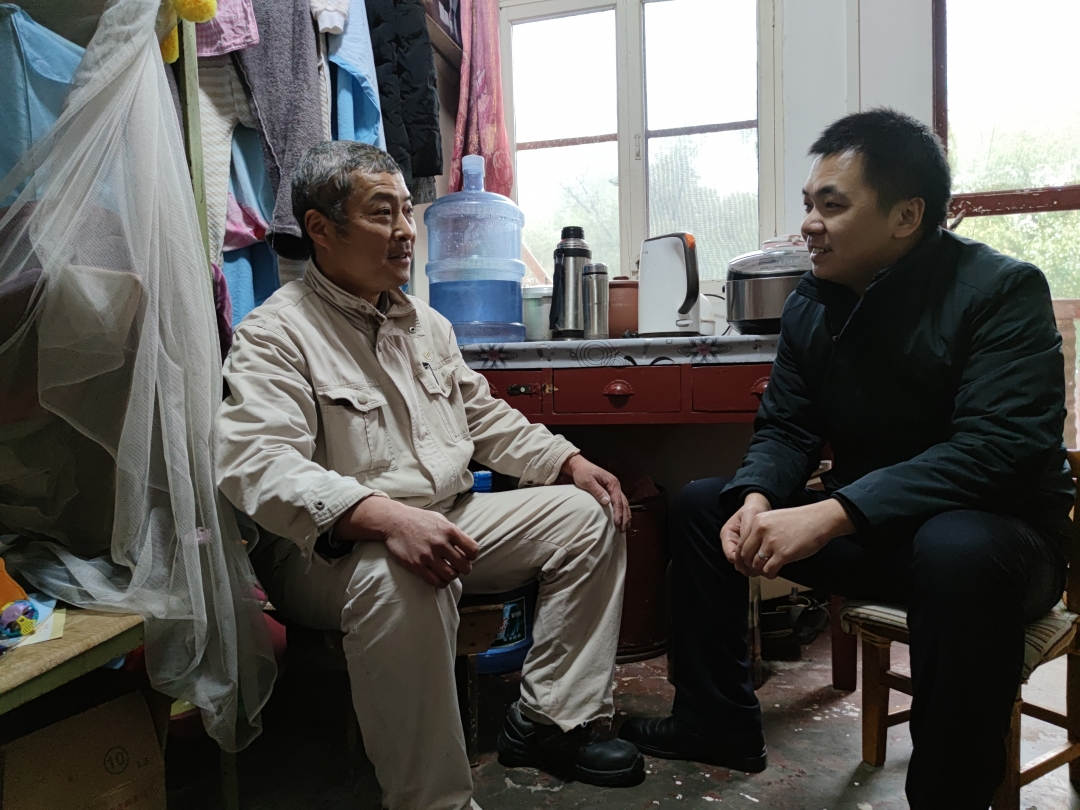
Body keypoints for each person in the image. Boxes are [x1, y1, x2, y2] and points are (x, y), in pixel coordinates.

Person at [619, 109, 1072, 809]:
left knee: (956, 548)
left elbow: (994, 450)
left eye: (831, 206)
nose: (809, 224)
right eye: (809, 204)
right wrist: (758, 499)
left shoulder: (1002, 291)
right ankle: (714, 724)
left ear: (906, 216)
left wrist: (834, 513)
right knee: (706, 506)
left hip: (1000, 545)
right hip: (879, 534)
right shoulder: (813, 303)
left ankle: (947, 795)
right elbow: (787, 427)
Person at [215, 140, 644, 810]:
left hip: (448, 515)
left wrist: (567, 460)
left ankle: (550, 722)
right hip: (327, 550)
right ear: (321, 229)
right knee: (402, 574)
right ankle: (434, 800)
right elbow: (256, 461)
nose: (406, 231)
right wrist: (383, 517)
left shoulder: (426, 323)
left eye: (407, 212)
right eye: (382, 213)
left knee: (590, 515)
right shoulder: (276, 334)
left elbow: (484, 416)